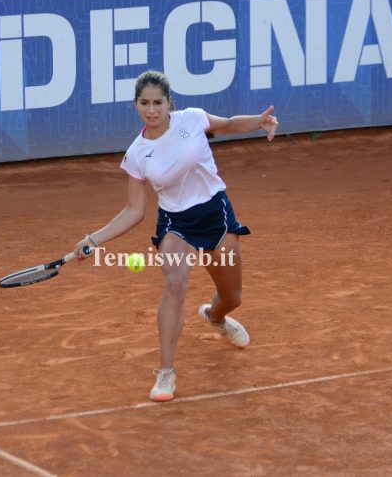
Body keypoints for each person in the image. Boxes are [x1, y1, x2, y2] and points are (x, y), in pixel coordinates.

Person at [73, 70, 279, 402]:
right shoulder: (137, 154)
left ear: (170, 102)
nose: (151, 110)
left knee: (233, 297)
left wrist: (259, 121)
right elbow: (133, 210)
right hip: (175, 224)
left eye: (157, 102)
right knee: (175, 283)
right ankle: (166, 373)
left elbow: (226, 125)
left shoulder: (193, 119)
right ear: (135, 104)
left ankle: (215, 316)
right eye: (144, 103)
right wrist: (94, 239)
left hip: (215, 214)